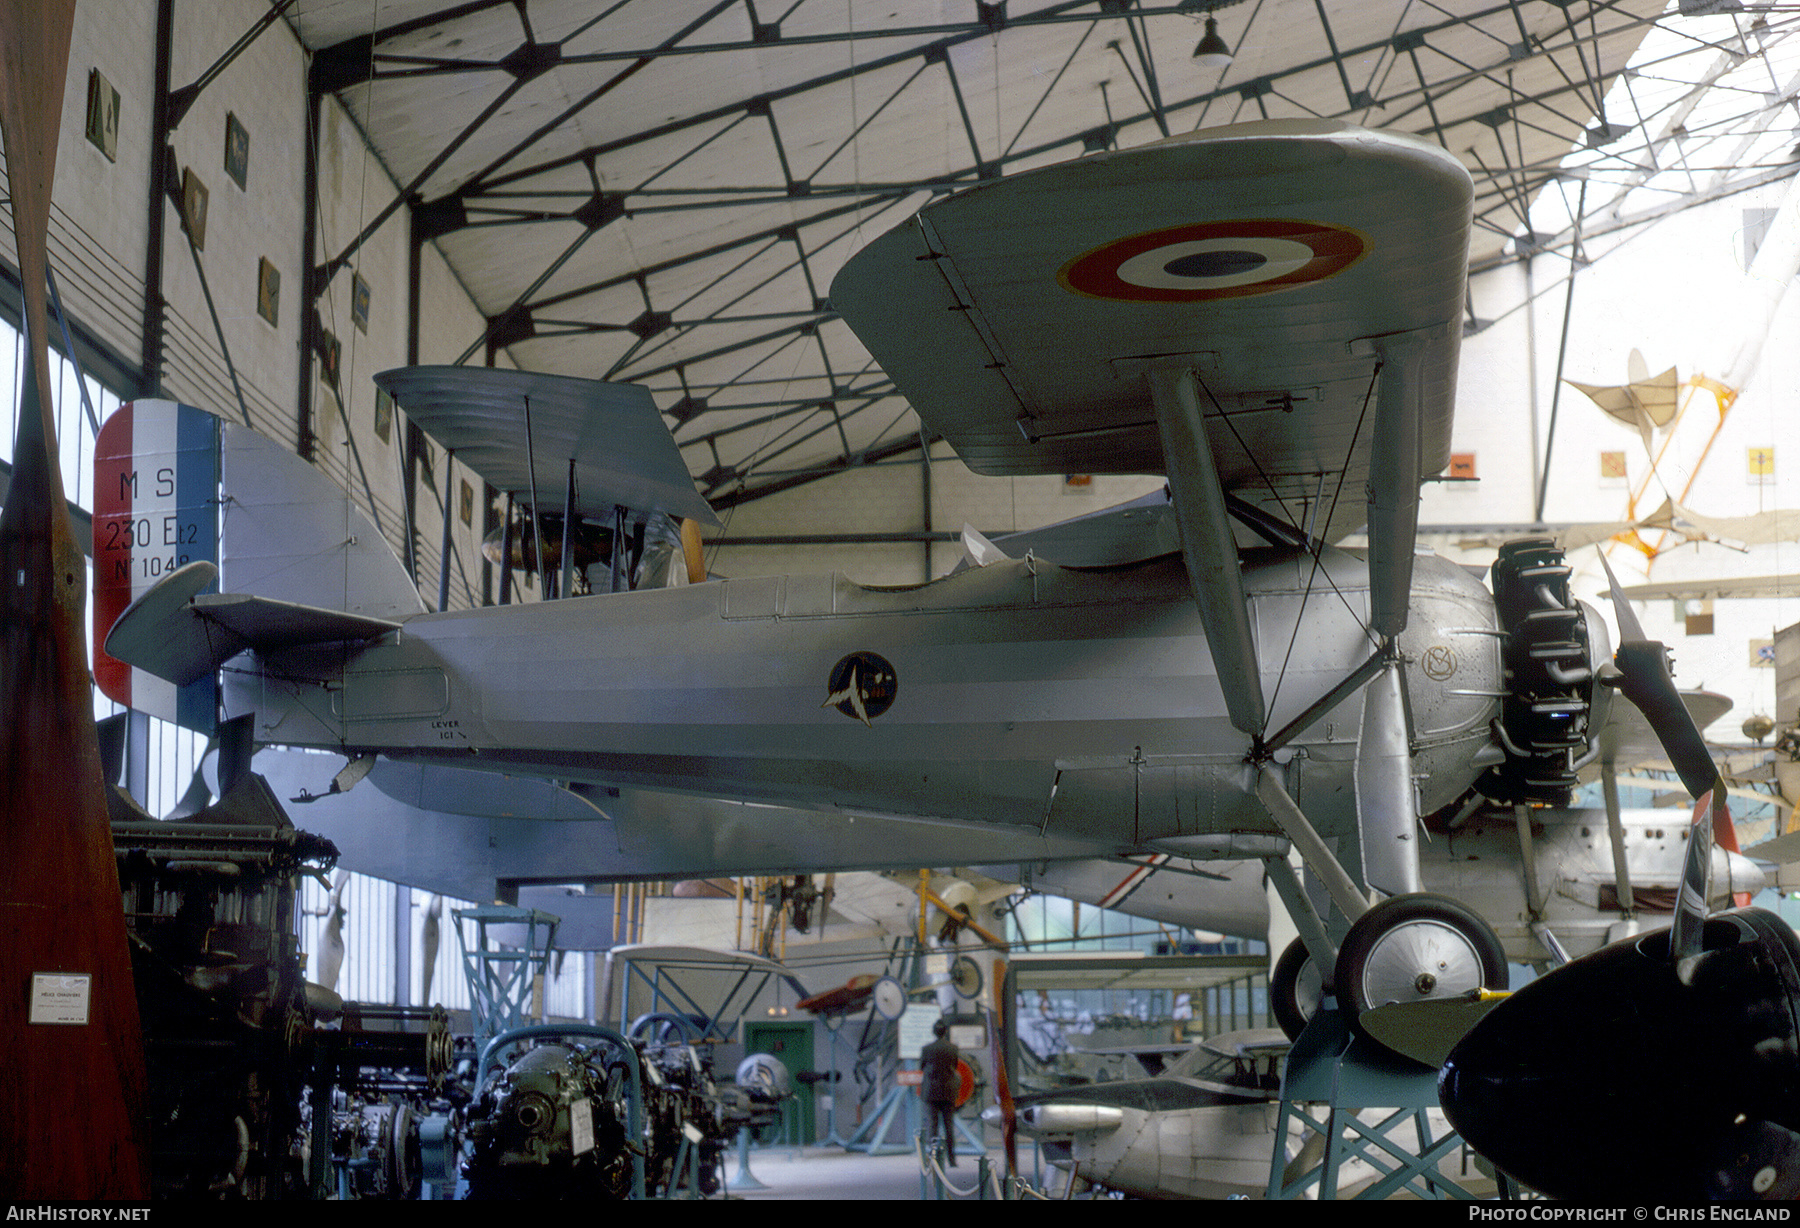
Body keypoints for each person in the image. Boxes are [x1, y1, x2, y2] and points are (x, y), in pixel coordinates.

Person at [920, 1017, 961, 1165]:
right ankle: (952, 1159)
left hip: (931, 1091)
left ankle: (934, 1159)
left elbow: (922, 1066)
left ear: (933, 1032)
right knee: (949, 1126)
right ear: (946, 1032)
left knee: (933, 1125)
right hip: (948, 1091)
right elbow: (955, 1067)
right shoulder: (953, 1048)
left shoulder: (927, 1049)